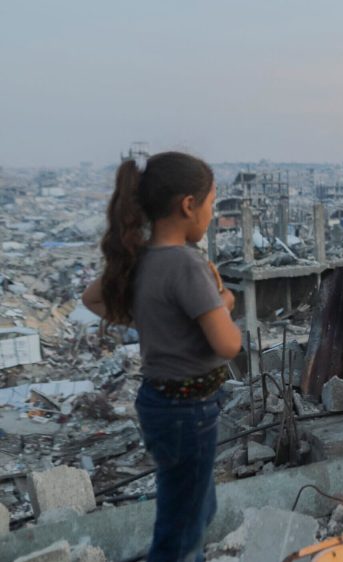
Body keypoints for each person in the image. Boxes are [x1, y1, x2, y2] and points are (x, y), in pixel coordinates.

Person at [82, 152, 241, 561]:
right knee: (181, 533)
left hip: (159, 404)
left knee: (195, 509)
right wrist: (224, 302)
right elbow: (228, 345)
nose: (210, 213)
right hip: (190, 410)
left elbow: (93, 298)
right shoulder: (188, 265)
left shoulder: (141, 262)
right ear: (188, 205)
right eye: (211, 203)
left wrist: (150, 318)